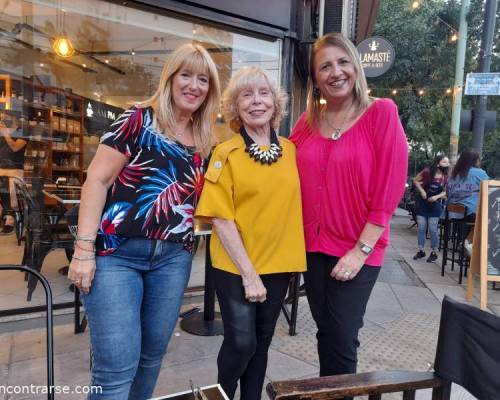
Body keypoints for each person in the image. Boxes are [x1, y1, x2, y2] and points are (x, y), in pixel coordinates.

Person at [67, 43, 220, 400]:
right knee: (116, 368)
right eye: (186, 75)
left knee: (151, 358)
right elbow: (97, 180)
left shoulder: (201, 140)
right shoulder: (139, 118)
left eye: (203, 79)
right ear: (170, 78)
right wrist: (83, 250)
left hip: (172, 259)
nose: (194, 85)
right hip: (117, 256)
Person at [289, 33, 408, 378]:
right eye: (325, 66)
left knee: (342, 337)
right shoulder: (306, 123)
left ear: (356, 67)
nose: (335, 72)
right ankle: (331, 389)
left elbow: (388, 192)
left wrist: (360, 250)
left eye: (342, 62)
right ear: (315, 79)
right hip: (312, 247)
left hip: (358, 248)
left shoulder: (380, 113)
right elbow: (280, 167)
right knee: (326, 332)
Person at [195, 66, 306, 399]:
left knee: (262, 342)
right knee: (242, 342)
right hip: (236, 265)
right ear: (235, 107)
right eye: (247, 95)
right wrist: (249, 275)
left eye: (264, 93)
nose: (257, 101)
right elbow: (220, 218)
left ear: (275, 102)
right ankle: (220, 395)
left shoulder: (291, 150)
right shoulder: (225, 153)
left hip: (279, 262)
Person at [447, 149, 489, 244]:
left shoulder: (453, 174)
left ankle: (464, 242)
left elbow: (448, 193)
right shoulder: (479, 173)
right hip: (470, 212)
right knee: (490, 220)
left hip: (452, 212)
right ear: (475, 160)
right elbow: (489, 188)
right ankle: (472, 246)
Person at [413, 155, 449, 262]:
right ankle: (421, 250)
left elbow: (446, 192)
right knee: (421, 228)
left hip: (435, 206)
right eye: (445, 162)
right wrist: (422, 191)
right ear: (438, 163)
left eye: (448, 162)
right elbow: (415, 180)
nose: (447, 164)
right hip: (422, 204)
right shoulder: (427, 171)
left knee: (433, 230)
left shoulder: (446, 176)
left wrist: (436, 197)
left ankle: (434, 252)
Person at [0, 111, 27, 234]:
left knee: (7, 184)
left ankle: (9, 218)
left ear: (15, 118)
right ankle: (5, 214)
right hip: (2, 169)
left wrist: (6, 134)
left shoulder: (22, 133)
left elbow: (15, 147)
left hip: (15, 171)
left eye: (6, 116)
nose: (4, 118)